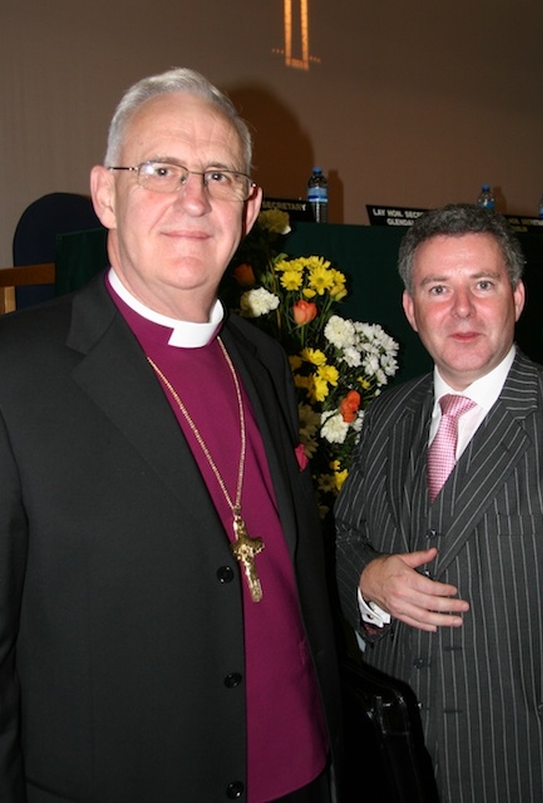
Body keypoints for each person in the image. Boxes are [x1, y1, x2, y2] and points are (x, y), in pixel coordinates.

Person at [0, 68, 342, 803]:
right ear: (105, 194)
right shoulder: (13, 372)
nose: (195, 200)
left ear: (248, 208)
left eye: (219, 175)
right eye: (161, 170)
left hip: (303, 779)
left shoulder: (264, 362)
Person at [334, 203, 543, 802]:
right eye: (438, 288)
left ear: (517, 298)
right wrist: (369, 580)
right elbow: (343, 541)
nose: (463, 310)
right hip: (398, 767)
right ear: (410, 309)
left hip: (535, 769)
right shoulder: (387, 414)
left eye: (483, 284)